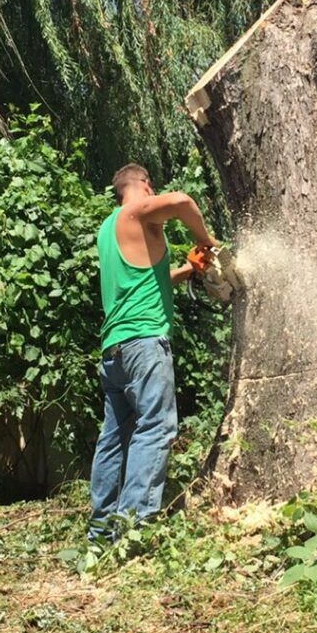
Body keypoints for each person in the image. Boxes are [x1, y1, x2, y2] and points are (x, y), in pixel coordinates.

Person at [88, 163, 217, 542]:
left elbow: (147, 282)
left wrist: (187, 269)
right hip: (144, 343)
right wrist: (207, 243)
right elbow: (181, 202)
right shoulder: (134, 211)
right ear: (145, 186)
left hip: (115, 349)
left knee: (114, 438)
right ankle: (133, 529)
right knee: (157, 427)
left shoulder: (108, 229)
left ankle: (102, 533)